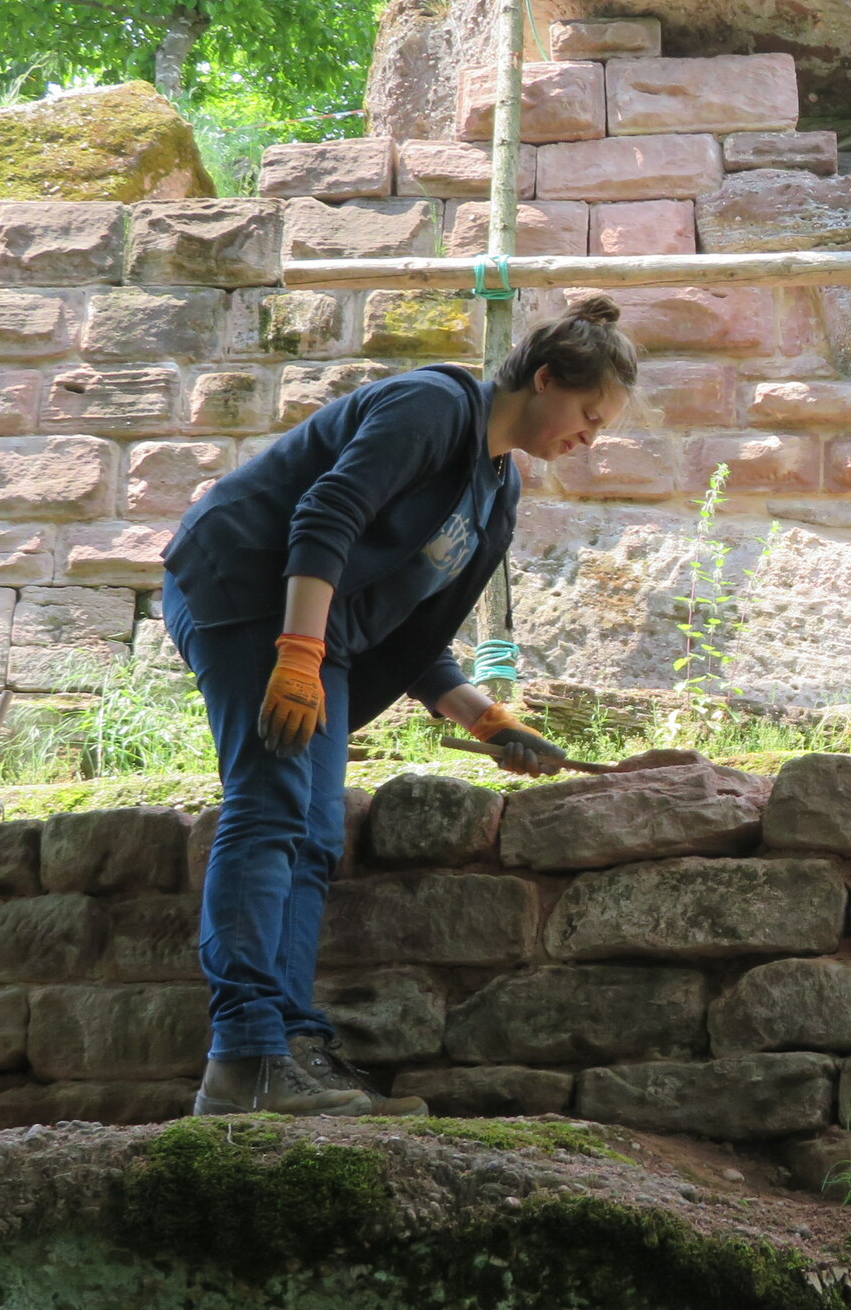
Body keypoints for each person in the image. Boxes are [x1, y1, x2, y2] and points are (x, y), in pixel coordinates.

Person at [159, 295, 639, 1116]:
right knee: (270, 809)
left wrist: (489, 721)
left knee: (314, 834)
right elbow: (327, 512)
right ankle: (243, 1057)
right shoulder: (433, 405)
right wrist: (298, 653)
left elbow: (415, 635)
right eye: (589, 415)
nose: (590, 438)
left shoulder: (496, 494)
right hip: (248, 592)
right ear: (545, 379)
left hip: (326, 637)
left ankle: (290, 1050)